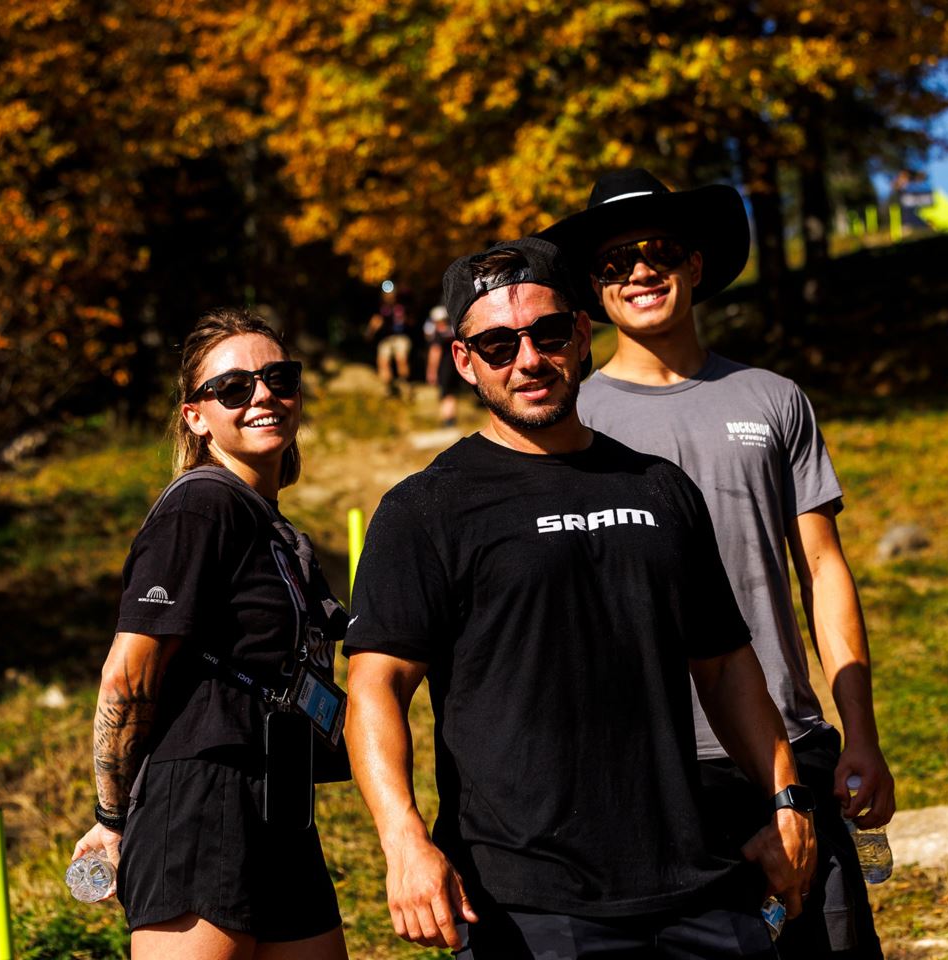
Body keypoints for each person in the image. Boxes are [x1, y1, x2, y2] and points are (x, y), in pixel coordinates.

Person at [343, 237, 817, 960]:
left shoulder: (659, 488)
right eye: (498, 345)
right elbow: (375, 686)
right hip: (527, 905)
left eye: (547, 333)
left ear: (581, 335)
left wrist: (784, 798)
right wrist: (403, 840)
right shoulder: (426, 509)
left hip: (695, 881)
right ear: (465, 361)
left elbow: (724, 665)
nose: (528, 360)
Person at [542, 168, 896, 959]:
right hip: (650, 764)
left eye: (657, 249)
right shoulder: (572, 422)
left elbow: (824, 569)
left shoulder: (774, 400)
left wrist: (859, 732)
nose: (638, 270)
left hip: (790, 743)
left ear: (695, 263)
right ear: (593, 289)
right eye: (612, 261)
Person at [72, 308, 349, 959]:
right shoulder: (200, 506)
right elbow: (127, 674)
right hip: (201, 799)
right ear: (195, 415)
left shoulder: (269, 523)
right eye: (233, 387)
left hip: (279, 799)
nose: (262, 395)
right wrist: (113, 819)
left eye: (278, 377)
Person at [366, 286, 413, 396]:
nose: (389, 296)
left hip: (400, 337)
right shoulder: (380, 309)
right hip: (386, 339)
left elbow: (411, 323)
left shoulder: (402, 307)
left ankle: (404, 384)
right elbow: (374, 324)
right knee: (383, 360)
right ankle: (387, 386)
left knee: (401, 358)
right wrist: (371, 331)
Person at [422, 303, 460, 426]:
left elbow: (435, 353)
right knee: (451, 393)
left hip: (443, 369)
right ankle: (451, 418)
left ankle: (447, 419)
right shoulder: (452, 333)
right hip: (455, 368)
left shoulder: (438, 335)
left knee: (444, 394)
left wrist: (431, 371)